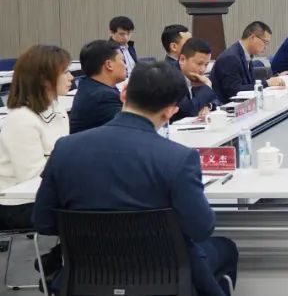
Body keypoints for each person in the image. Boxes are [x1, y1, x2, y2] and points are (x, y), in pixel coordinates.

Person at [34, 62, 239, 296]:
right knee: (225, 249)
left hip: (86, 277)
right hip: (163, 276)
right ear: (171, 111)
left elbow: (44, 222)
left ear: (123, 93)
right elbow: (201, 229)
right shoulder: (178, 159)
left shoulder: (65, 149)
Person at [0, 45, 72, 230]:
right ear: (44, 80)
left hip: (45, 194)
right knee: (89, 209)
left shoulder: (58, 110)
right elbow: (32, 176)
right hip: (16, 204)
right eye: (65, 72)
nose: (71, 77)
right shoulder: (21, 119)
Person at [209, 21, 287, 102]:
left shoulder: (245, 54)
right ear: (253, 37)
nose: (265, 47)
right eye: (265, 42)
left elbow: (249, 84)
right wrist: (266, 83)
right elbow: (235, 91)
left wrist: (275, 78)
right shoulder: (230, 57)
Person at [69, 40, 126, 134]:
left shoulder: (90, 86)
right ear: (109, 65)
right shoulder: (103, 97)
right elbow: (130, 128)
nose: (125, 65)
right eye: (123, 60)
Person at [172, 38, 221, 122]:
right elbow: (190, 111)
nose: (203, 69)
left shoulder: (194, 76)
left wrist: (208, 106)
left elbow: (216, 100)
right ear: (182, 59)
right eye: (199, 64)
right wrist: (207, 86)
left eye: (206, 64)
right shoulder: (171, 77)